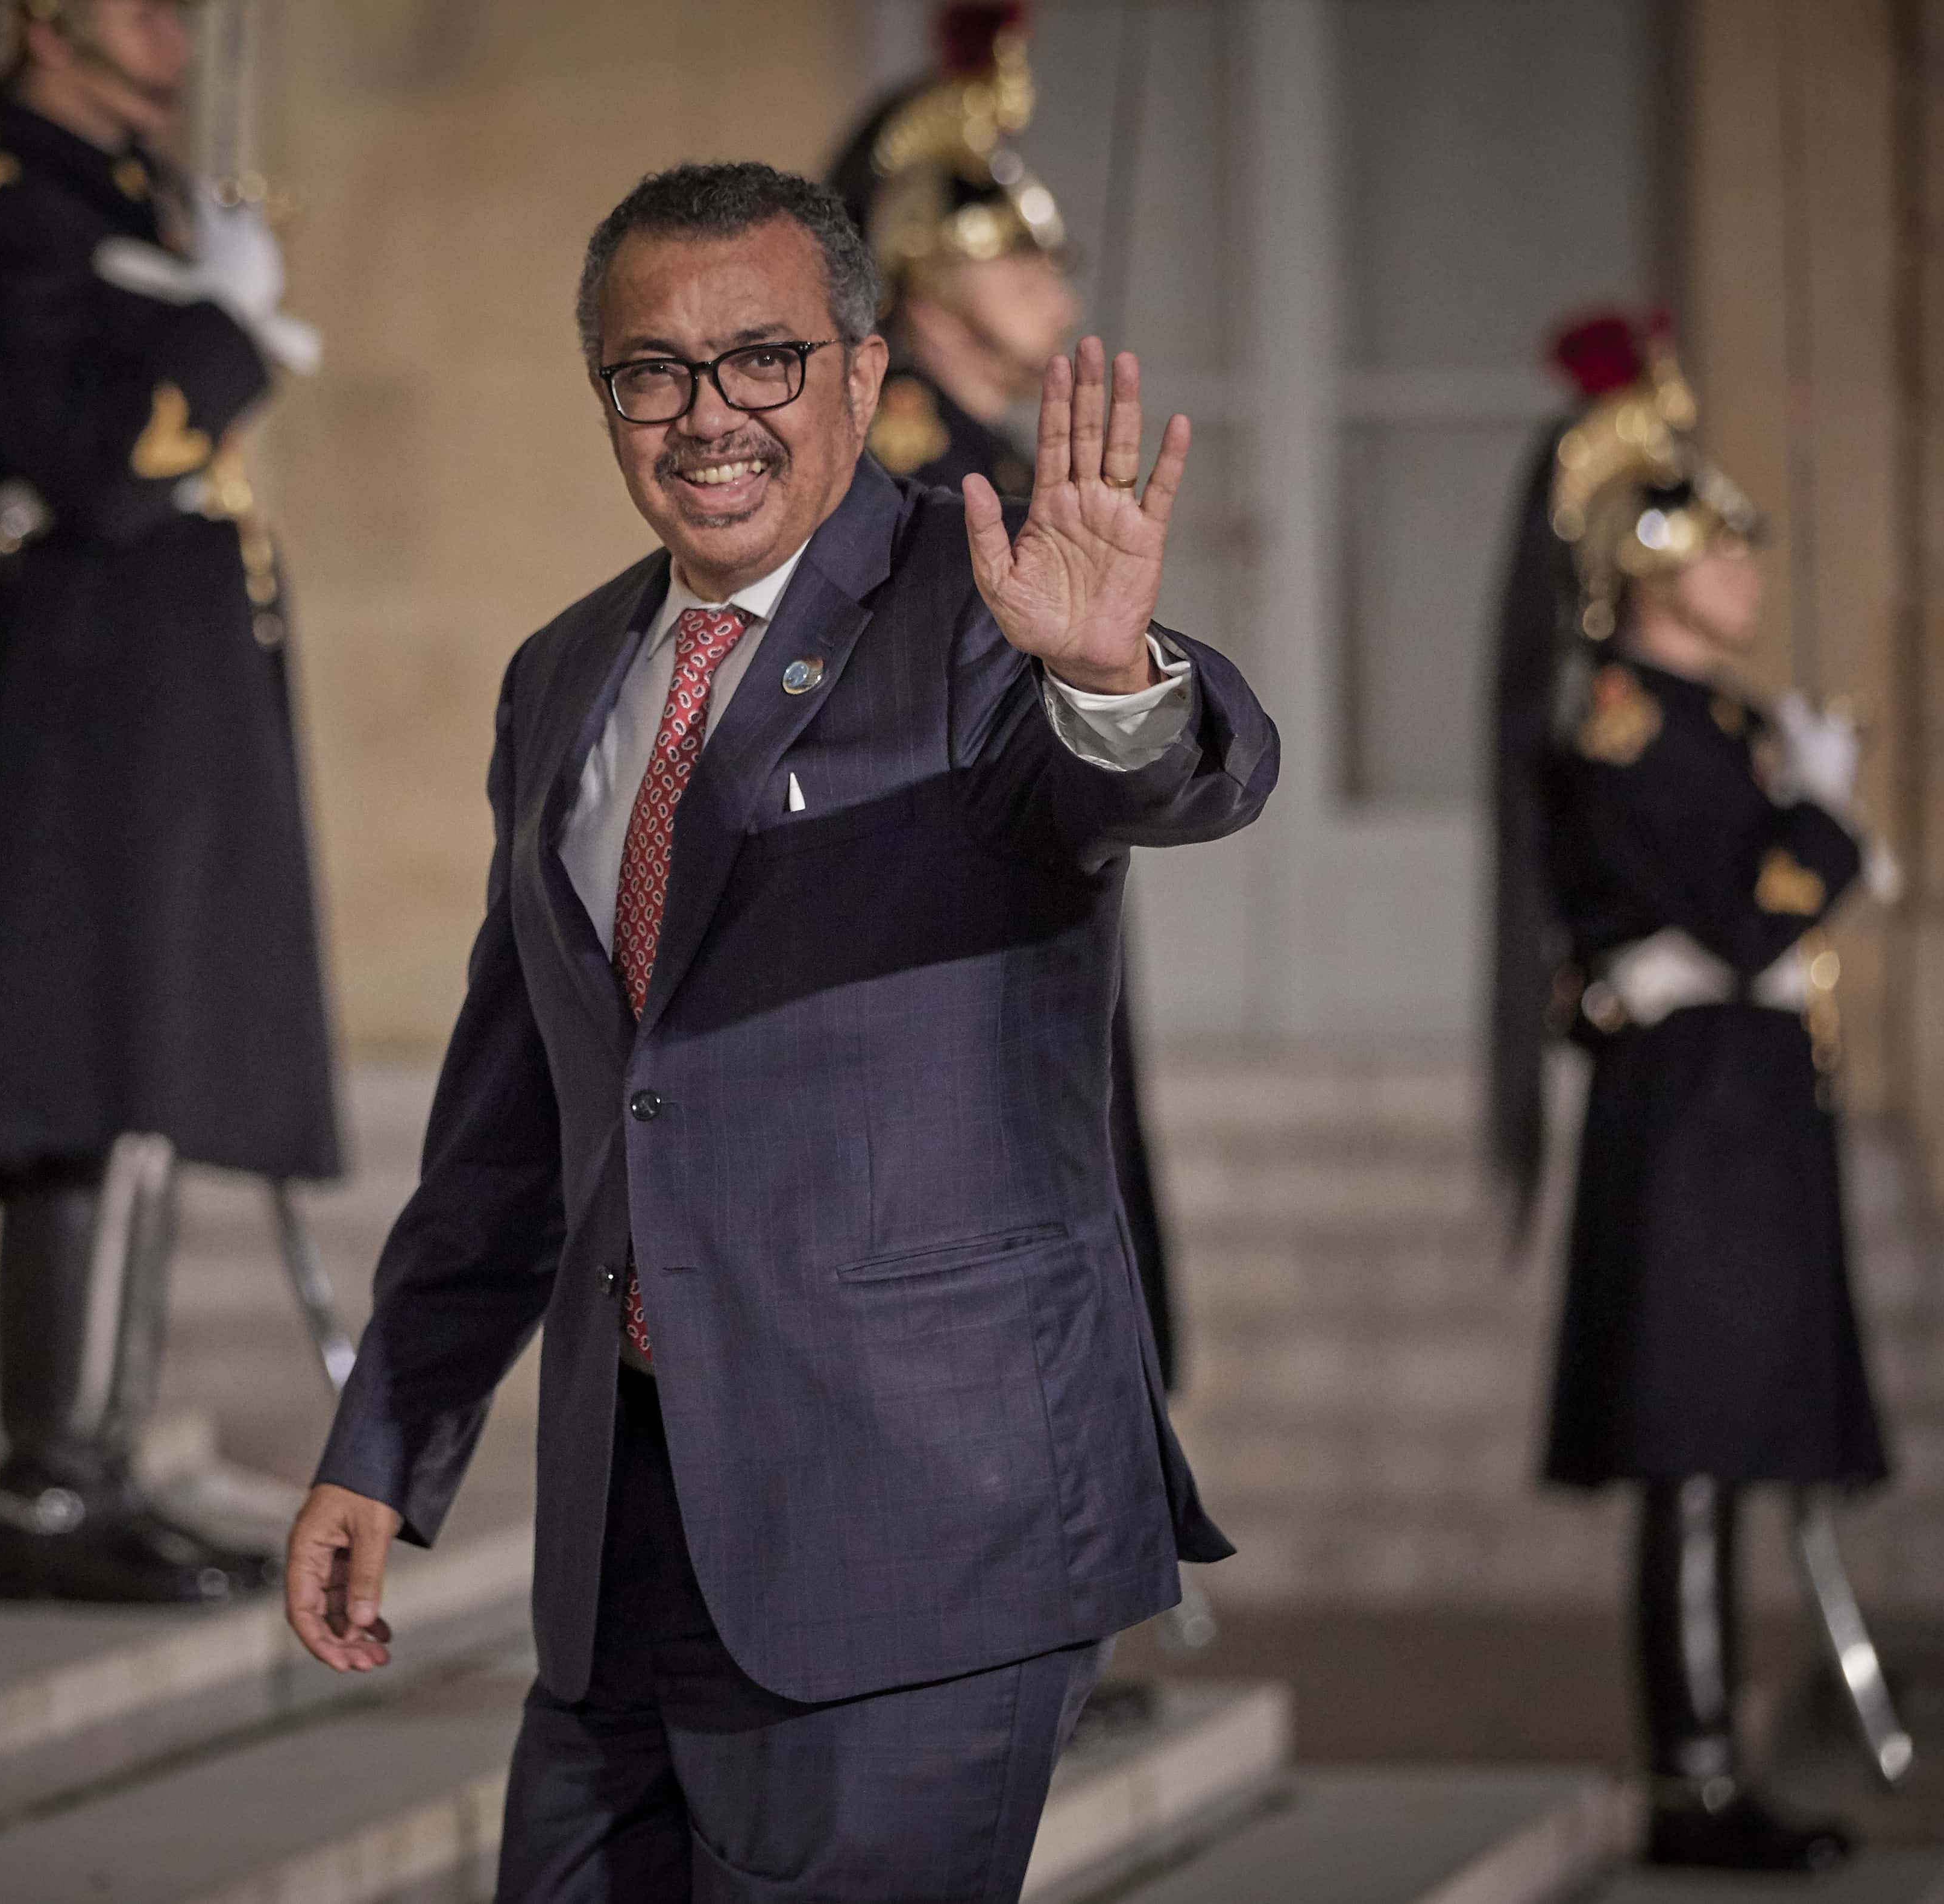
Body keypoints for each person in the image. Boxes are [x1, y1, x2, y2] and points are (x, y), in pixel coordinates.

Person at [283, 163, 1277, 1899]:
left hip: (923, 1525)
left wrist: (1113, 682)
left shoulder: (982, 612)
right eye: (648, 370)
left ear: (862, 374)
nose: (705, 415)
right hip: (631, 1533)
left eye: (759, 360)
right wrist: (388, 1439)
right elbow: (520, 1110)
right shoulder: (563, 671)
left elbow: (1191, 771)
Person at [0, 0, 340, 1603]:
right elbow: (100, 464)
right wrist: (224, 334)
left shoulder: (137, 202)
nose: (175, 26)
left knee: (145, 1083)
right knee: (83, 1079)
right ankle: (53, 1482)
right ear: (38, 19)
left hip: (164, 703)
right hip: (78, 701)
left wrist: (203, 287)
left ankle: (101, 1457)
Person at [1486, 311, 1896, 1871]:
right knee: (1696, 1446)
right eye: (1723, 550)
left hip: (1743, 1114)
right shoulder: (1628, 720)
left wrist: (1794, 803)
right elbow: (1751, 912)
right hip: (1693, 1129)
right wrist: (1829, 824)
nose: (1750, 575)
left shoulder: (1714, 719)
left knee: (1728, 1447)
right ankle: (1694, 1774)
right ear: (1654, 566)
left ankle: (1711, 1762)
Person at [827, 1, 1185, 1392]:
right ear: (923, 266)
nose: (1054, 282)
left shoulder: (1006, 447)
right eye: (1015, 250)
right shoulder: (908, 450)